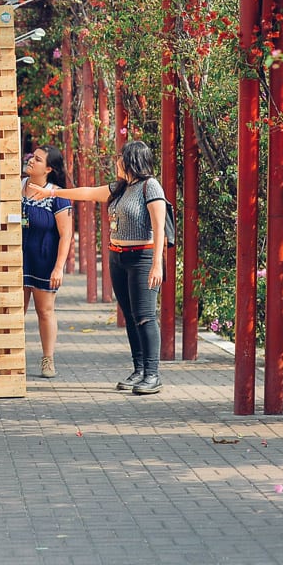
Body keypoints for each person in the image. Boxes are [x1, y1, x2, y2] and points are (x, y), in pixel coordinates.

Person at [43, 140, 168, 394]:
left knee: (145, 317)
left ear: (133, 160)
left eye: (120, 157)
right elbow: (88, 192)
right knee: (132, 317)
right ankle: (139, 370)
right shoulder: (120, 188)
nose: (117, 162)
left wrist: (157, 264)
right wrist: (53, 193)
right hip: (118, 258)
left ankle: (153, 375)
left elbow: (159, 227)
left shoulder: (150, 186)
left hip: (142, 258)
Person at [22, 146, 74, 378]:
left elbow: (66, 234)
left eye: (38, 159)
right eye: (32, 157)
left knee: (44, 311)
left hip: (44, 261)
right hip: (18, 261)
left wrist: (58, 267)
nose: (32, 161)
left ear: (49, 168)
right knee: (15, 311)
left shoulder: (57, 195)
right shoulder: (16, 187)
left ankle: (47, 359)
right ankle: (12, 357)